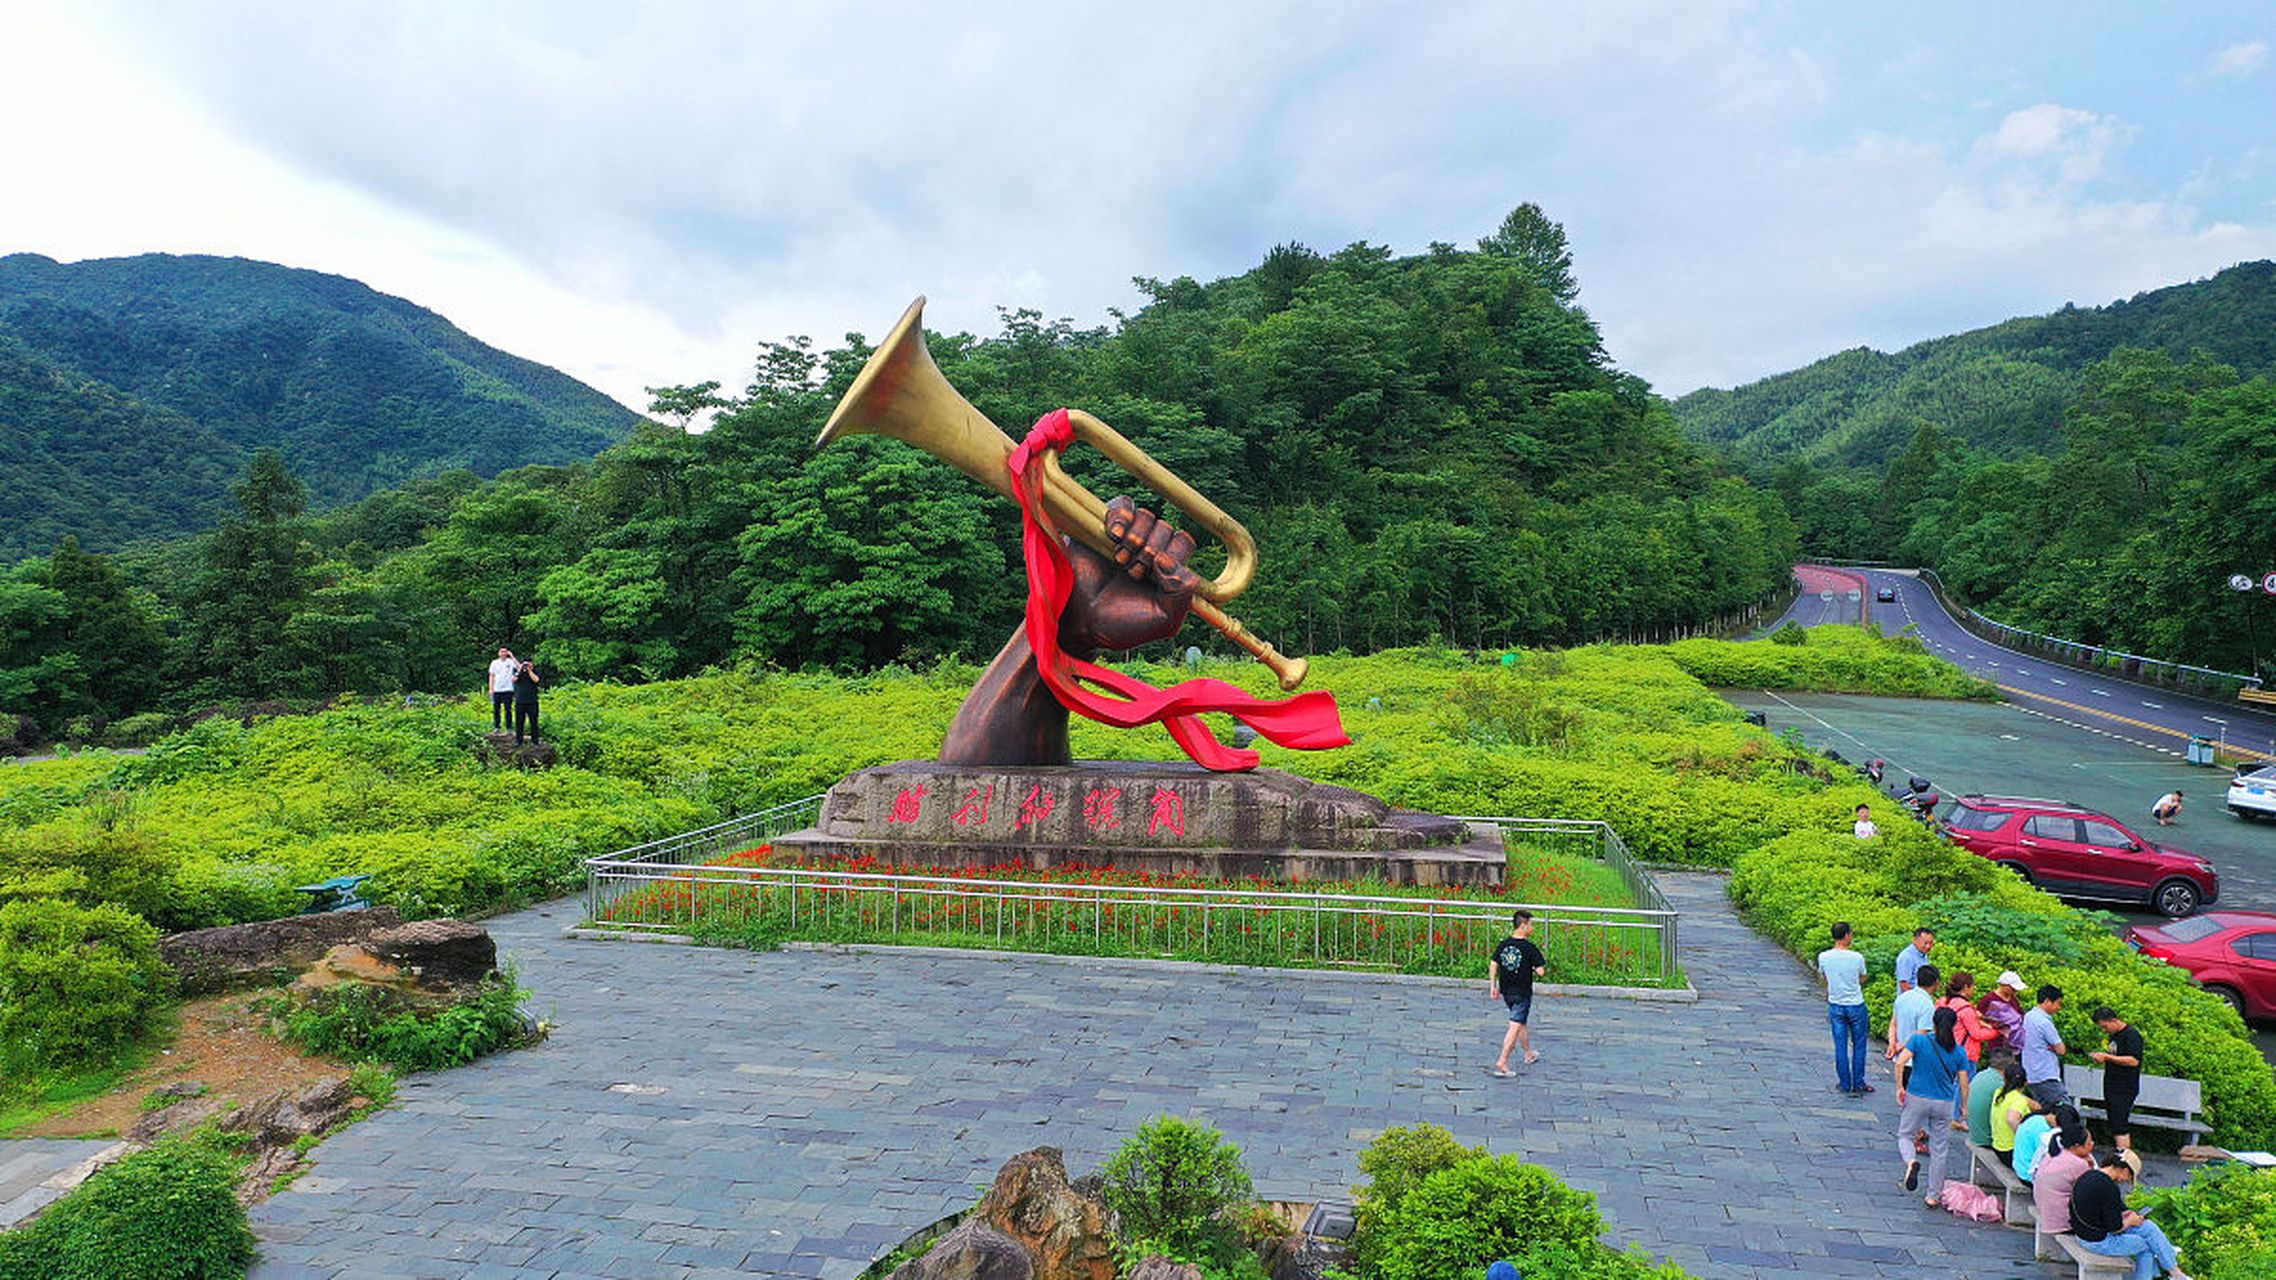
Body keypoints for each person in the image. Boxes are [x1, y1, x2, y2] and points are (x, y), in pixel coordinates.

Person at [2070, 1150, 2192, 1280]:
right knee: (2145, 1245)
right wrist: (2130, 1221)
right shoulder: (2109, 1188)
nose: (2127, 1181)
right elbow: (2115, 1228)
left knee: (2148, 1227)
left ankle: (2174, 1271)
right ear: (2124, 1170)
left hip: (2085, 1232)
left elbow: (2105, 1209)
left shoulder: (2091, 1175)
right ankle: (2169, 1264)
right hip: (2096, 1241)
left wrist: (2126, 1213)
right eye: (2129, 1177)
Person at [1894, 1006, 1973, 1205]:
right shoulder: (1960, 1052)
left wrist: (1900, 1087)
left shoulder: (1919, 1040)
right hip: (1944, 1103)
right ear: (1954, 1026)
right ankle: (1933, 1196)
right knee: (1939, 1149)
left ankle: (1911, 1161)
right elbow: (1964, 1082)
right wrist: (1964, 1106)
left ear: (1934, 1023)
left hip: (1917, 1097)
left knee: (1905, 1135)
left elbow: (1899, 1063)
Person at [1486, 910, 1547, 1077]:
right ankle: (1503, 1060)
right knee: (1514, 1026)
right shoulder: (1529, 948)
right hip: (1522, 992)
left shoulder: (1504, 944)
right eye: (1531, 924)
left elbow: (1493, 964)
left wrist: (1493, 985)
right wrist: (1535, 966)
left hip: (1506, 991)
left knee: (1520, 1022)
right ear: (1523, 925)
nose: (1532, 928)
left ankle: (1528, 1053)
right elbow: (1541, 971)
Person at [1817, 922, 1871, 1095]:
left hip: (1836, 1004)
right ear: (1847, 935)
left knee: (1840, 1045)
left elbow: (1823, 976)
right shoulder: (1857, 957)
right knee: (1859, 1044)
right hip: (1856, 1004)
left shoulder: (1824, 956)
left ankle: (1845, 1083)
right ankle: (1859, 1082)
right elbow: (1863, 977)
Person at [2089, 1006, 2144, 1152]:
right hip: (2112, 1086)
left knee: (2120, 1124)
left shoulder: (2132, 1035)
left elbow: (2134, 1060)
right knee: (2114, 1123)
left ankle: (2124, 1158)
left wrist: (2106, 1057)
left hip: (2124, 1087)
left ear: (2113, 1020)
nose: (2104, 1031)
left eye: (2105, 1027)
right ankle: (2120, 1153)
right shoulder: (2114, 1036)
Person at [2032, 1124, 2095, 1235]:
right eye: (2089, 1143)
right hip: (2062, 1221)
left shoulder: (2053, 1154)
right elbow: (2091, 1189)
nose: (2092, 1145)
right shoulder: (2078, 1164)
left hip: (2045, 1208)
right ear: (2077, 1146)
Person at [2022, 984, 2070, 1107]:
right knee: (2065, 1110)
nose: (2059, 1008)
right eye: (2058, 1003)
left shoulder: (2028, 1017)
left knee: (2045, 1111)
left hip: (2031, 1075)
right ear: (2048, 1001)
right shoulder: (2044, 1022)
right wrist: (2053, 1046)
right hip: (2046, 1075)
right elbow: (2061, 1049)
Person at [1939, 971, 1999, 1069]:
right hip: (1965, 1054)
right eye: (1973, 986)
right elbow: (1977, 1034)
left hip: (1946, 1051)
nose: (1974, 989)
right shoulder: (1966, 1009)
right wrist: (1997, 1031)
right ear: (1966, 987)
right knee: (1964, 1084)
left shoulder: (1945, 1003)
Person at [1887, 963, 1939, 1066]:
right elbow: (1920, 1033)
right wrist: (1900, 1046)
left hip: (1899, 1058)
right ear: (1936, 983)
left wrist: (1892, 1044)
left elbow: (1893, 1024)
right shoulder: (1927, 1005)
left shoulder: (1902, 997)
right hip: (1916, 1060)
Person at [1989, 1061, 2036, 1167]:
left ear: (2005, 1079)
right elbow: (2011, 1119)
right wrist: (2024, 1137)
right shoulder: (2019, 1100)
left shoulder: (1999, 1093)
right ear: (2026, 1083)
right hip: (2011, 1152)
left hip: (1997, 1147)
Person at [1979, 970, 2027, 1055]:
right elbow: (1978, 1017)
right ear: (2005, 986)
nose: (2015, 991)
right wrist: (1991, 1027)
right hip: (1998, 1045)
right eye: (2013, 989)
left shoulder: (2013, 999)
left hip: (2016, 1044)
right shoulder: (1989, 999)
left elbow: (2021, 1015)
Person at [2012, 1105, 2057, 1183]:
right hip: (2028, 1175)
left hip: (2019, 1167)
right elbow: (2043, 1156)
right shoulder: (2043, 1129)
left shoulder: (2036, 1119)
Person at [511, 657, 542, 746]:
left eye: (528, 663)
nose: (526, 665)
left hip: (532, 701)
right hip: (520, 701)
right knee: (519, 722)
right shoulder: (518, 671)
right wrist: (520, 670)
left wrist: (529, 671)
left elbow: (536, 680)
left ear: (532, 664)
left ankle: (535, 740)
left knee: (534, 721)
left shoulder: (535, 671)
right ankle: (518, 740)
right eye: (525, 664)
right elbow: (514, 679)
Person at [487, 646, 518, 731]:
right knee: (496, 709)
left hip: (508, 689)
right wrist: (491, 689)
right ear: (498, 653)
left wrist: (512, 656)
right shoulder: (494, 663)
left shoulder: (510, 662)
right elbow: (491, 676)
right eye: (501, 651)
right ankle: (497, 726)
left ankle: (509, 727)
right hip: (497, 689)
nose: (503, 653)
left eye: (505, 652)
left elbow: (519, 667)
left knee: (508, 709)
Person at [1895, 927, 1936, 992]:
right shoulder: (1906, 957)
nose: (1928, 946)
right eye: (1925, 943)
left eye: (1931, 943)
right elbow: (1904, 985)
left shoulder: (1923, 955)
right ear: (1914, 940)